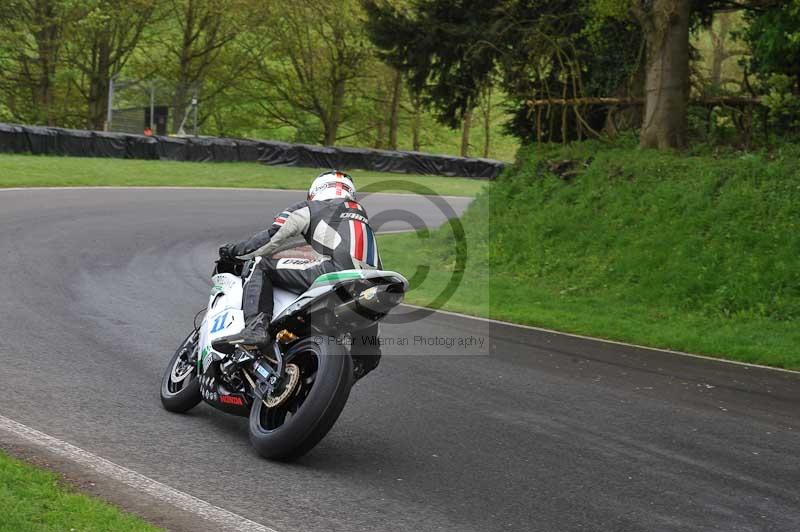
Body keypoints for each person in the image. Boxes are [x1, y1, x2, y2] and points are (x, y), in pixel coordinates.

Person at [212, 170, 382, 378]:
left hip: (336, 274)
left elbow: (271, 239)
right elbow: (325, 252)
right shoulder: (362, 219)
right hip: (372, 286)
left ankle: (256, 327)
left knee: (263, 264)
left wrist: (232, 251)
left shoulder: (311, 207)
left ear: (313, 192)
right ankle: (326, 382)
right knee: (366, 357)